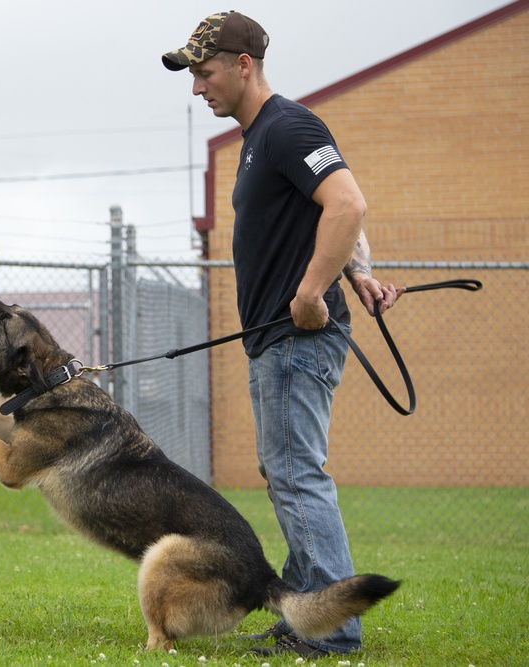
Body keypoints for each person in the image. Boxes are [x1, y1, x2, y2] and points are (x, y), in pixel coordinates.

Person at [162, 12, 402, 658]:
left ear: (244, 65)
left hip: (299, 339)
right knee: (287, 474)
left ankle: (333, 627)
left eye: (204, 73)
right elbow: (326, 212)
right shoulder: (261, 137)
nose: (197, 87)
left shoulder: (289, 126)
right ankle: (309, 611)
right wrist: (360, 275)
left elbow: (348, 202)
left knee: (296, 475)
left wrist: (312, 290)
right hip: (279, 342)